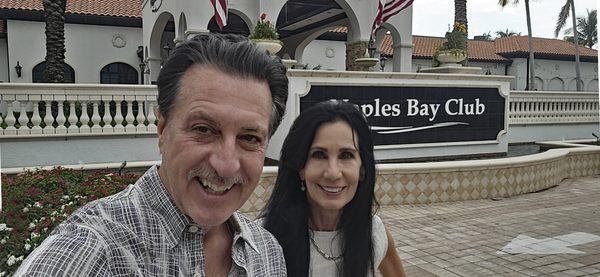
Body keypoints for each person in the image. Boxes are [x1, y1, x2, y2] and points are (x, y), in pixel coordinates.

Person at [15, 33, 289, 276]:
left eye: (249, 138)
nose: (227, 165)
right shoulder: (88, 254)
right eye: (204, 129)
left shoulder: (266, 253)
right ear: (162, 128)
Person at [260, 100, 406, 277]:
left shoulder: (374, 234)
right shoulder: (262, 241)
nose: (333, 173)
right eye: (319, 155)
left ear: (362, 169)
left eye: (346, 155)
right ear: (301, 169)